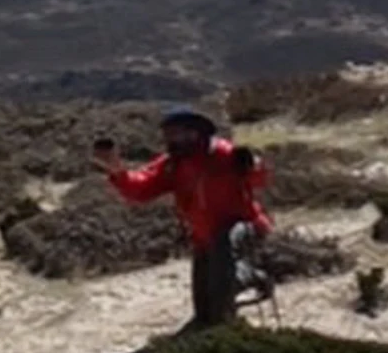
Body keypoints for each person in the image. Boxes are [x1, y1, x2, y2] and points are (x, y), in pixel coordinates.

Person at [94, 104, 273, 332]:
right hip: (203, 237)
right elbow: (141, 190)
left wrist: (253, 165)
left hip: (244, 225)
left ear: (195, 132)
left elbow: (259, 180)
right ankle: (254, 278)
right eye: (168, 134)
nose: (170, 140)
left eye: (175, 134)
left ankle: (225, 328)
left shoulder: (224, 154)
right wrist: (116, 170)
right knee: (204, 309)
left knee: (222, 267)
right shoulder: (173, 164)